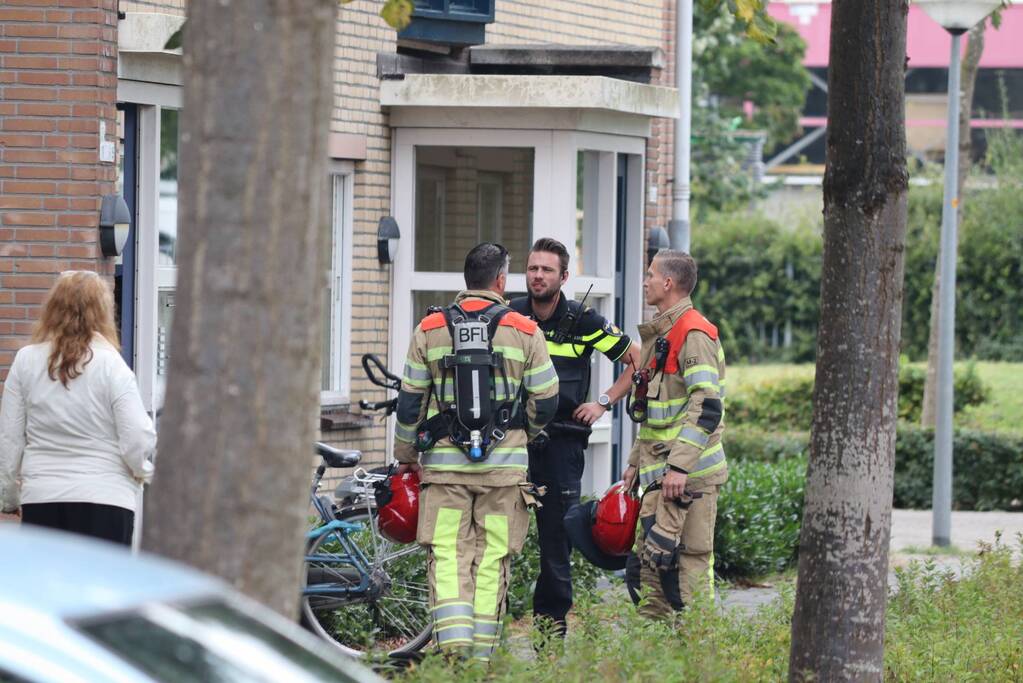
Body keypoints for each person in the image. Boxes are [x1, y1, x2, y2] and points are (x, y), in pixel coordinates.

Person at [393, 243, 558, 662]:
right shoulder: (524, 330)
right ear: (501, 281)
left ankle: (453, 650)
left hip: (445, 472)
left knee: (448, 556)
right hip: (504, 475)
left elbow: (410, 400)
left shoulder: (429, 328)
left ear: (465, 280)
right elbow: (548, 398)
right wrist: (522, 432)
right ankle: (481, 660)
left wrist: (406, 452)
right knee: (491, 559)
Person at [508, 237, 640, 637]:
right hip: (512, 441)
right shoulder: (510, 315)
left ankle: (549, 645)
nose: (538, 276)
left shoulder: (582, 321)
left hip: (562, 445)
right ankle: (485, 637)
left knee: (555, 548)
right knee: (496, 540)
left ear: (564, 277)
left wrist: (603, 402)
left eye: (547, 270)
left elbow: (636, 358)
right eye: (532, 268)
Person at [0, 270, 156, 545]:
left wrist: (8, 496)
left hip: (43, 497)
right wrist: (141, 471)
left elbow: (10, 437)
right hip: (106, 497)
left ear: (52, 309)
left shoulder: (26, 360)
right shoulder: (112, 365)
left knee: (47, 588)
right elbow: (137, 435)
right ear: (103, 311)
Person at [621, 249, 727, 617]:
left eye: (650, 274)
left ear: (667, 283)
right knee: (652, 568)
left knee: (690, 566)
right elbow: (657, 409)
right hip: (661, 476)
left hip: (689, 478)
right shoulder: (663, 332)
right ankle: (660, 657)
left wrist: (680, 468)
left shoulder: (693, 333)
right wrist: (635, 461)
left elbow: (706, 406)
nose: (645, 281)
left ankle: (697, 656)